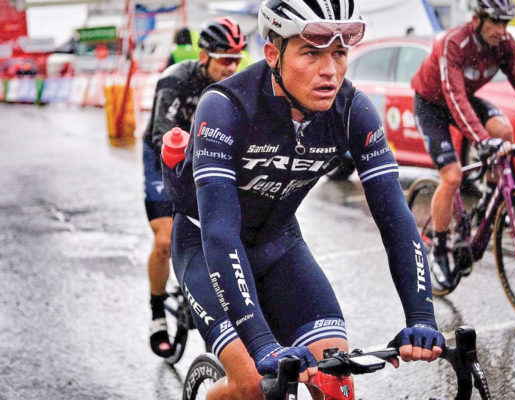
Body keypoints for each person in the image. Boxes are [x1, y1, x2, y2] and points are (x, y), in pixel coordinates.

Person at [163, 0, 445, 397]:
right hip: (206, 248)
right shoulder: (225, 106)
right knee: (255, 385)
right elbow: (220, 234)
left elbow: (396, 220)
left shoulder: (353, 110)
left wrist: (422, 317)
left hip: (279, 243)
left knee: (336, 380)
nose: (329, 70)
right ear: (272, 54)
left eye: (339, 53)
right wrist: (262, 343)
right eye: (311, 53)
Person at [142, 16, 247, 358]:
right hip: (163, 156)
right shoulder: (175, 79)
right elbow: (161, 136)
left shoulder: (236, 84)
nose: (232, 67)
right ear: (204, 56)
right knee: (164, 240)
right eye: (225, 60)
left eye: (236, 59)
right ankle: (157, 312)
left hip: (205, 157)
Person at [411, 0, 515, 289]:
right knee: (453, 176)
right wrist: (482, 140)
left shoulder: (505, 45)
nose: (501, 30)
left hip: (463, 99)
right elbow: (453, 97)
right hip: (432, 104)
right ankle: (439, 249)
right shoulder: (454, 43)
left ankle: (490, 197)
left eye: (505, 23)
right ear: (478, 19)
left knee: (504, 131)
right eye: (496, 22)